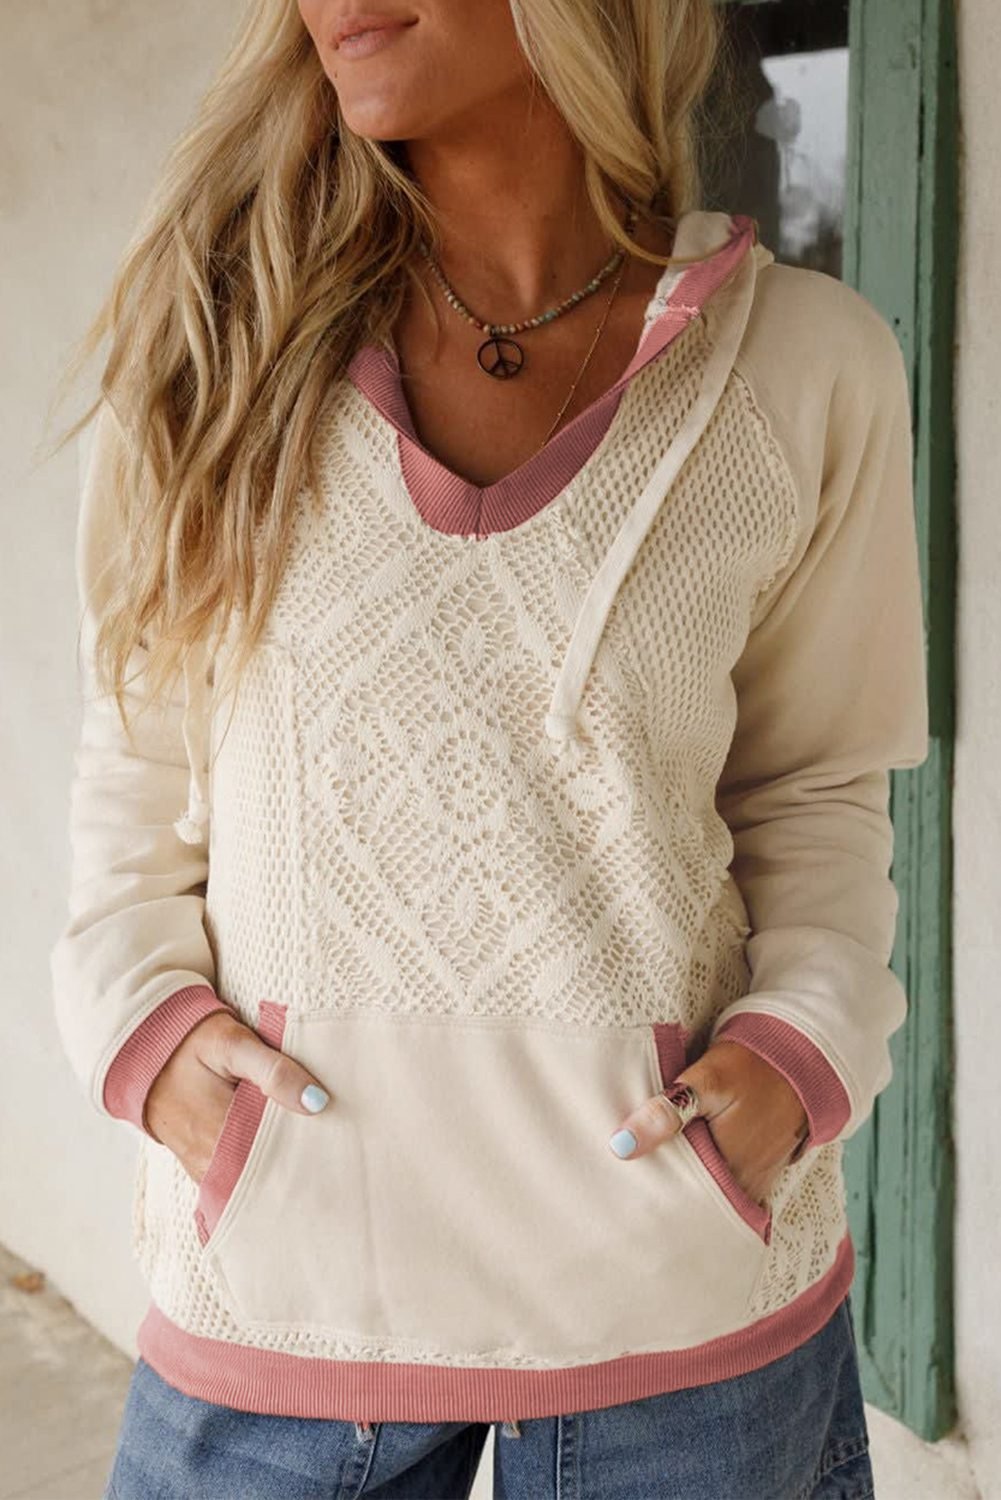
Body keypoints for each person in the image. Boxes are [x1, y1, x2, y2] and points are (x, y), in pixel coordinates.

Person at [48, 0, 928, 1495]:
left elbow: (815, 783)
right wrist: (144, 1031)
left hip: (678, 1310)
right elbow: (136, 757)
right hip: (288, 1286)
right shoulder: (215, 346)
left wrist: (800, 1051)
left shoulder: (802, 364)